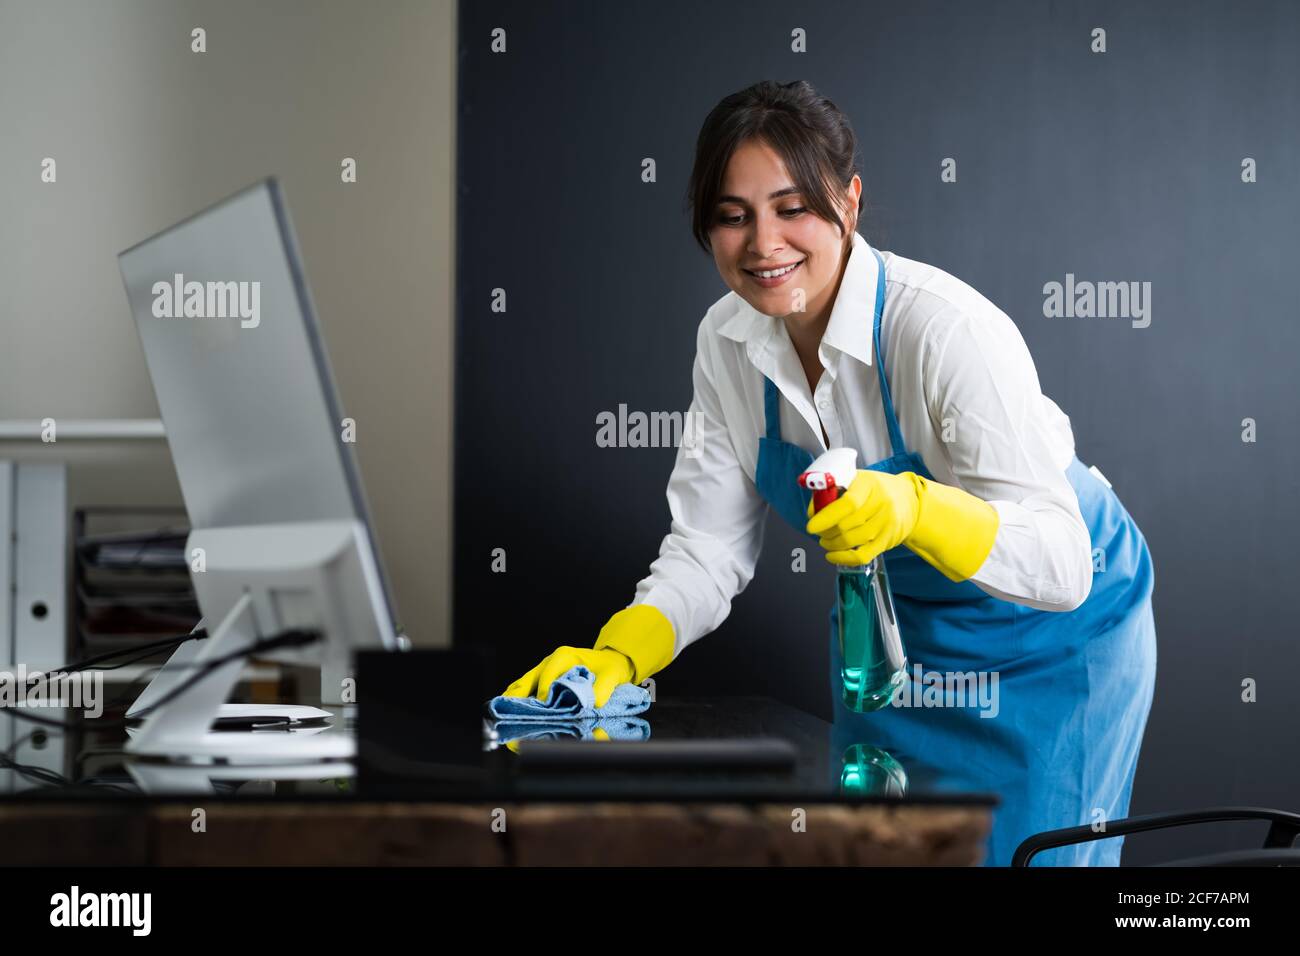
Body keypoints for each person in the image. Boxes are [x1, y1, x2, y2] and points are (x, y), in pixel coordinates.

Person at [503, 79, 1157, 866]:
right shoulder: (727, 342)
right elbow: (707, 552)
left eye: (791, 208)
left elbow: (1061, 562)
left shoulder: (941, 329)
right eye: (732, 216)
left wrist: (916, 508)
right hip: (890, 647)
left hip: (1051, 644)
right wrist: (621, 654)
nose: (763, 244)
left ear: (848, 202)